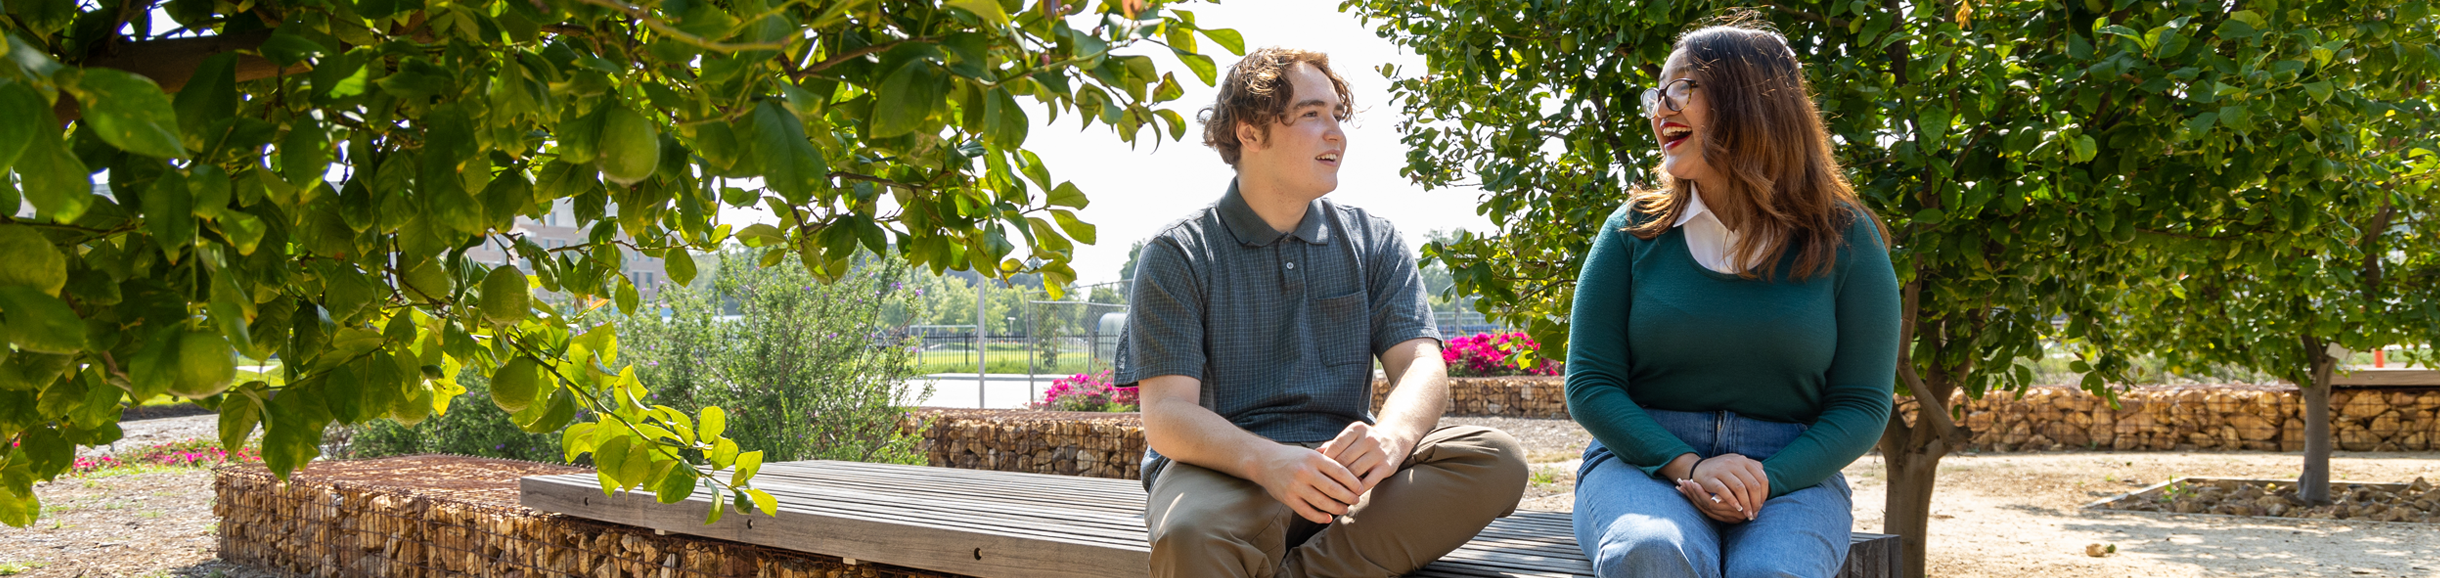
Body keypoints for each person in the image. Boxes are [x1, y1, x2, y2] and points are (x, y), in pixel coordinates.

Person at [1117, 47, 1529, 578]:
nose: (1336, 132)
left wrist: (1391, 437)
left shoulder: (1374, 240)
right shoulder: (1180, 253)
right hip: (1225, 472)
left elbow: (1423, 365)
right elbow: (1168, 417)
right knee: (1190, 534)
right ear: (1248, 130)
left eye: (1337, 114)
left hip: (1346, 473)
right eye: (1312, 114)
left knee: (1495, 459)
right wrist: (1268, 461)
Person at [1563, 22, 1902, 578]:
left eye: (1683, 88)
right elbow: (1590, 385)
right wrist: (1690, 465)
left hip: (1793, 470)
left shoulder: (1847, 238)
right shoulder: (1632, 232)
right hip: (1643, 462)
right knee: (1647, 551)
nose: (1660, 108)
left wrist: (1768, 476)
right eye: (1658, 92)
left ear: (1749, 100)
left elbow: (1862, 405)